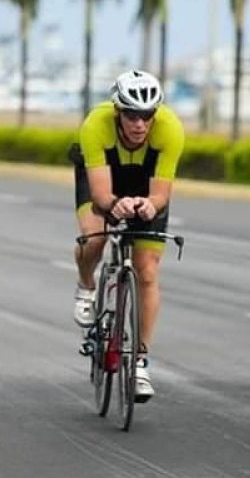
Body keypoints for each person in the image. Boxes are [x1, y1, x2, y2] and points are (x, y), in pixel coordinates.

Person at [69, 69, 185, 403]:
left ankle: (140, 361)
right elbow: (102, 195)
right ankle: (86, 284)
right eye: (132, 115)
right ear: (118, 112)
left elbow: (161, 195)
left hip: (146, 184)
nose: (139, 124)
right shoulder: (96, 125)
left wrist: (150, 206)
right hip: (105, 179)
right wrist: (116, 205)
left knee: (147, 269)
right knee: (94, 237)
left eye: (146, 116)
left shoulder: (171, 129)